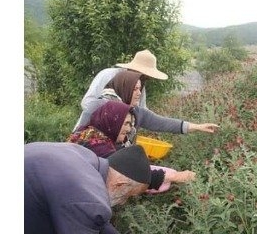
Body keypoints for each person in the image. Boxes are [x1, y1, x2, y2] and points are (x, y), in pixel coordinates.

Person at [68, 101, 196, 192]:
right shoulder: (97, 145)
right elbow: (127, 174)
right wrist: (176, 176)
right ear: (113, 121)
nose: (129, 129)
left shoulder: (89, 133)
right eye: (126, 124)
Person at [25, 143, 151, 234]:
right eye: (128, 196)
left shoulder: (86, 156)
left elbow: (96, 221)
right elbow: (90, 211)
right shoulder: (89, 199)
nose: (123, 202)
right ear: (120, 184)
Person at [72, 70, 219, 140]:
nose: (138, 94)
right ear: (125, 87)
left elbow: (162, 123)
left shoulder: (136, 112)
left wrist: (197, 127)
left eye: (140, 89)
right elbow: (76, 137)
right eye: (134, 89)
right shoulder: (99, 106)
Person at [73, 49, 167, 131]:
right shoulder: (107, 75)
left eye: (147, 78)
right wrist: (114, 115)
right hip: (89, 134)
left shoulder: (140, 86)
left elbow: (142, 112)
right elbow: (87, 102)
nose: (144, 79)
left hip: (117, 140)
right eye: (144, 75)